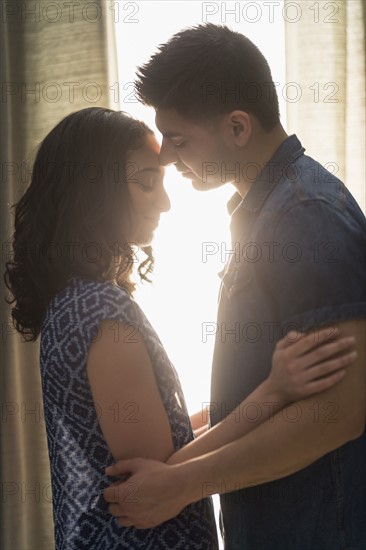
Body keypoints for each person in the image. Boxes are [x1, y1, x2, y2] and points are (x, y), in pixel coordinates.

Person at [4, 106, 358, 550]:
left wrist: (226, 407)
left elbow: (157, 444)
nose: (165, 202)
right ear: (94, 191)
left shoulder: (73, 303)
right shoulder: (101, 312)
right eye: (146, 182)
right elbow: (157, 477)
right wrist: (275, 391)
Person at [103, 24, 366, 549]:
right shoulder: (265, 213)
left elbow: (339, 413)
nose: (168, 159)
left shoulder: (304, 216)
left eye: (179, 141)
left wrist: (180, 485)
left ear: (239, 128)